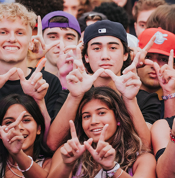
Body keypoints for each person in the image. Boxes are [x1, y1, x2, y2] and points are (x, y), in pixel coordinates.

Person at [47, 20, 161, 151]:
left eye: (113, 48)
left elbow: (146, 148)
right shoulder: (71, 94)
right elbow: (52, 145)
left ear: (125, 55)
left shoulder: (145, 99)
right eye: (96, 48)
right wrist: (75, 97)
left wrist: (130, 100)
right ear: (86, 57)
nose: (105, 56)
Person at [43, 87, 156, 178]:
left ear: (118, 118)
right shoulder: (68, 150)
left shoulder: (142, 158)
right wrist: (67, 165)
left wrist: (112, 168)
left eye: (101, 113)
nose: (93, 121)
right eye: (86, 116)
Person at [0, 3, 62, 120]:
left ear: (31, 41)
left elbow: (50, 137)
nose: (12, 39)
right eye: (3, 32)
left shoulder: (48, 83)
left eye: (20, 33)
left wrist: (40, 102)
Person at [0, 94, 51, 178]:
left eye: (26, 120)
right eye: (9, 122)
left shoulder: (48, 164)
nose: (18, 128)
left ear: (39, 128)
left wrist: (17, 153)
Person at [137, 27, 175, 118]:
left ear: (174, 66)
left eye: (163, 59)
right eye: (148, 57)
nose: (154, 64)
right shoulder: (123, 97)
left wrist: (169, 93)